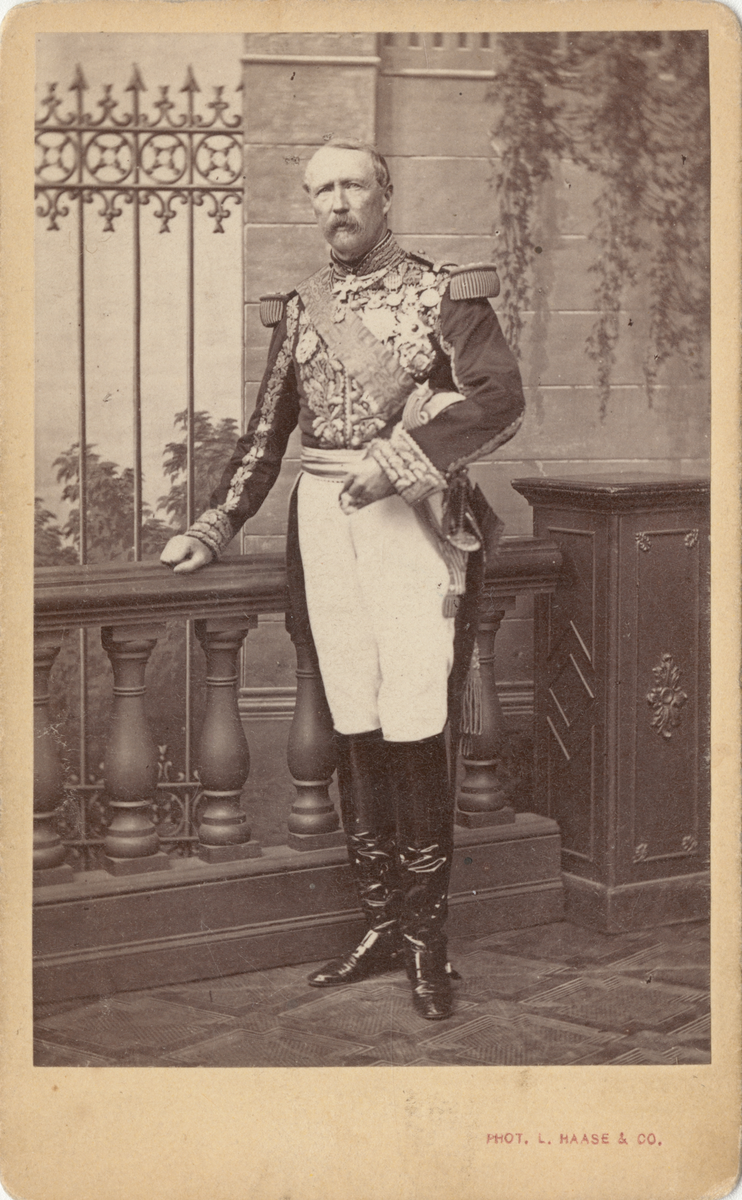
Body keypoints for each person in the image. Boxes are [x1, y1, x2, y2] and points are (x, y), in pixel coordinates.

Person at [161, 138, 525, 1020]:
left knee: (415, 717)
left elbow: (499, 399)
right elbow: (265, 434)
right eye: (321, 189)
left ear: (384, 193)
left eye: (352, 184)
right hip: (323, 523)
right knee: (355, 715)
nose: (337, 202)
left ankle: (428, 945)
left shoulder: (446, 293)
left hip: (411, 522)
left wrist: (397, 463)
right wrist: (214, 526)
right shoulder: (300, 311)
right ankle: (381, 926)